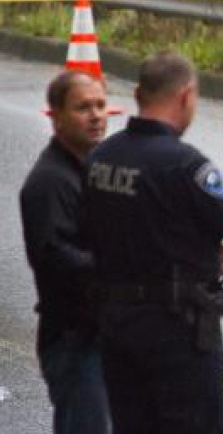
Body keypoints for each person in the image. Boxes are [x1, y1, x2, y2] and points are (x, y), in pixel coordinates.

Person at [83, 52, 223, 434]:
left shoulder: (100, 158)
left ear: (137, 93)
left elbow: (121, 223)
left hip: (116, 325)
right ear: (185, 96)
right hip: (177, 331)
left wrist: (200, 247)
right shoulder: (184, 165)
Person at [19, 71, 110, 434]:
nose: (95, 115)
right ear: (54, 115)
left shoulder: (96, 169)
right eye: (83, 107)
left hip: (107, 333)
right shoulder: (49, 183)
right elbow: (56, 257)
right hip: (74, 339)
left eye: (101, 105)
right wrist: (121, 270)